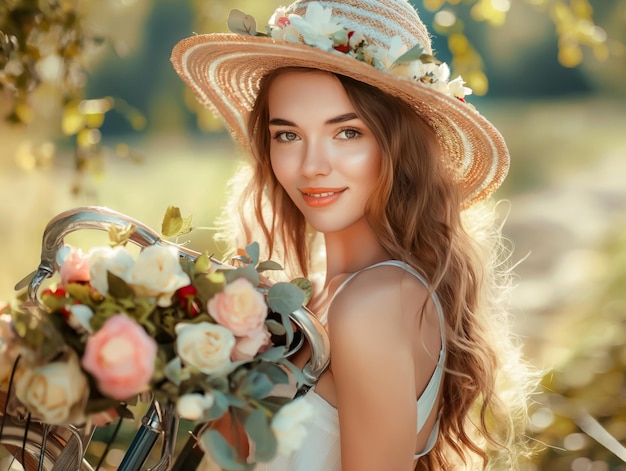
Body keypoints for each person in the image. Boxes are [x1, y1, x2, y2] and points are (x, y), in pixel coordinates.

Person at [171, 0, 538, 469]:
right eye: (288, 135)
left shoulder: (373, 302)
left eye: (346, 133)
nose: (312, 166)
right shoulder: (312, 301)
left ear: (398, 145)